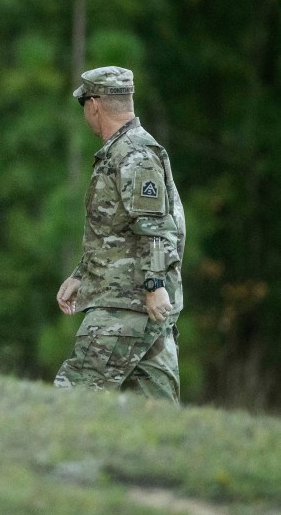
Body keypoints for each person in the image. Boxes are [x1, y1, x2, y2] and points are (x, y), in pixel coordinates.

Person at [54, 66, 185, 403]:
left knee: (70, 399)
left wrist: (153, 285)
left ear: (94, 104)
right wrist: (82, 274)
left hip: (124, 306)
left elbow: (154, 228)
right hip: (138, 307)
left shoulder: (134, 154)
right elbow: (116, 230)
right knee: (155, 414)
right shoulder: (123, 151)